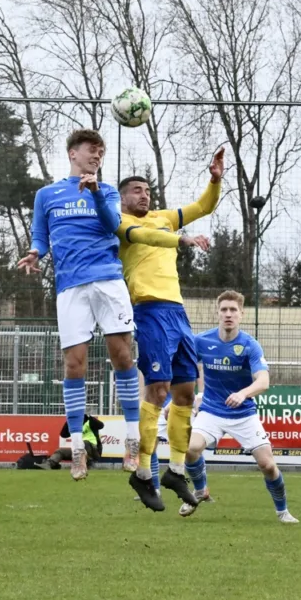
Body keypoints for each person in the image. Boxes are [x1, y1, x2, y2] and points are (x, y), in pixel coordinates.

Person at [18, 128, 141, 481]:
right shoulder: (47, 194)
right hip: (70, 287)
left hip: (107, 280)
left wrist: (96, 194)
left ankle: (132, 443)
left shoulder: (106, 191)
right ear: (73, 153)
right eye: (91, 150)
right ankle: (77, 449)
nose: (97, 156)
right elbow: (41, 233)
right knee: (74, 365)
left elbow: (114, 224)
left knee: (122, 356)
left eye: (101, 152)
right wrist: (34, 251)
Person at [116, 147, 224, 512]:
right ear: (123, 198)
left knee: (185, 393)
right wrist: (183, 240)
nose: (144, 195)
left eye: (147, 190)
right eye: (136, 190)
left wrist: (215, 180)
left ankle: (176, 469)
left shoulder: (165, 217)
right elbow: (147, 239)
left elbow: (203, 207)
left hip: (177, 312)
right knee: (157, 390)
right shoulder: (120, 222)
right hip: (149, 311)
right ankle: (143, 472)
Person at [178, 291, 297, 523]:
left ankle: (283, 511)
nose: (228, 314)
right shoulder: (201, 341)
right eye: (224, 310)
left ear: (241, 315)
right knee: (190, 448)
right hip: (211, 410)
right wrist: (182, 400)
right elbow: (183, 369)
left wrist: (243, 394)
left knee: (267, 465)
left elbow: (263, 381)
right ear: (217, 313)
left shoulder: (250, 345)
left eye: (233, 310)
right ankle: (201, 490)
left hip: (243, 414)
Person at [40, 414, 105, 470]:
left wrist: (89, 417)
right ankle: (49, 464)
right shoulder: (74, 426)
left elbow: (101, 425)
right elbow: (63, 434)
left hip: (93, 450)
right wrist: (68, 421)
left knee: (84, 443)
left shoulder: (89, 421)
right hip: (78, 450)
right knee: (60, 451)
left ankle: (89, 463)